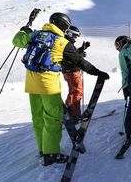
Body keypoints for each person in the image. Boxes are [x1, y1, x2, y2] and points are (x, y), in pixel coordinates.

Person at [12, 11, 109, 166]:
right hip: (48, 86)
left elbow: (16, 40)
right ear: (63, 26)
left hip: (31, 84)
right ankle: (51, 155)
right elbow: (79, 61)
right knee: (52, 120)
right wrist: (98, 72)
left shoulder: (36, 35)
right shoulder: (62, 42)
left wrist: (25, 29)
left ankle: (42, 149)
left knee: (38, 118)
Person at [61, 25, 109, 123]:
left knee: (72, 92)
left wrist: (82, 50)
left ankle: (67, 113)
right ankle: (75, 115)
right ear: (69, 33)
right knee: (77, 93)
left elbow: (71, 55)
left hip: (67, 72)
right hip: (73, 72)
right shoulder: (67, 43)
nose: (75, 38)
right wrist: (97, 72)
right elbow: (76, 59)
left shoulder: (64, 43)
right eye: (74, 36)